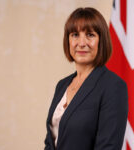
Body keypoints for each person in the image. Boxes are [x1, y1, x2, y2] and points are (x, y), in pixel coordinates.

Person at [44, 7, 128, 150]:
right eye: (75, 34)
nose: (81, 43)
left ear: (101, 41)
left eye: (90, 35)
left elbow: (108, 147)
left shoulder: (113, 86)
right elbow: (50, 142)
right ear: (68, 40)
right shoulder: (62, 85)